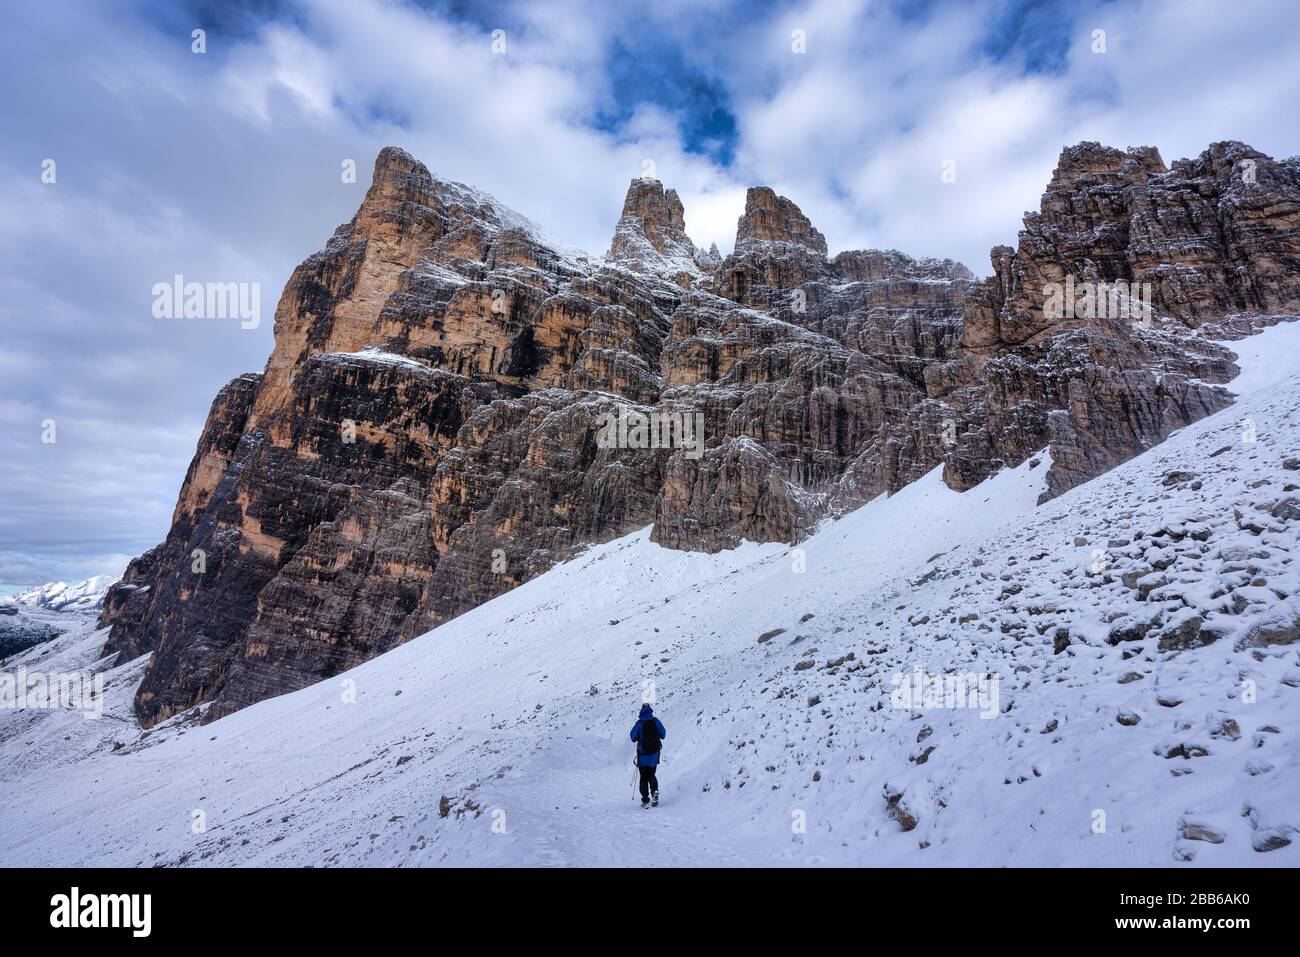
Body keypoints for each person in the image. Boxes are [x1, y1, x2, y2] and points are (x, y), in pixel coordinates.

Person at [629, 703, 666, 808]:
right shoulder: (655, 721)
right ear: (650, 710)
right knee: (652, 774)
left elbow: (632, 737)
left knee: (643, 777)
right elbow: (663, 734)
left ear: (641, 711)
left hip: (643, 755)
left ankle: (645, 800)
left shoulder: (639, 724)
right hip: (654, 755)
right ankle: (655, 792)